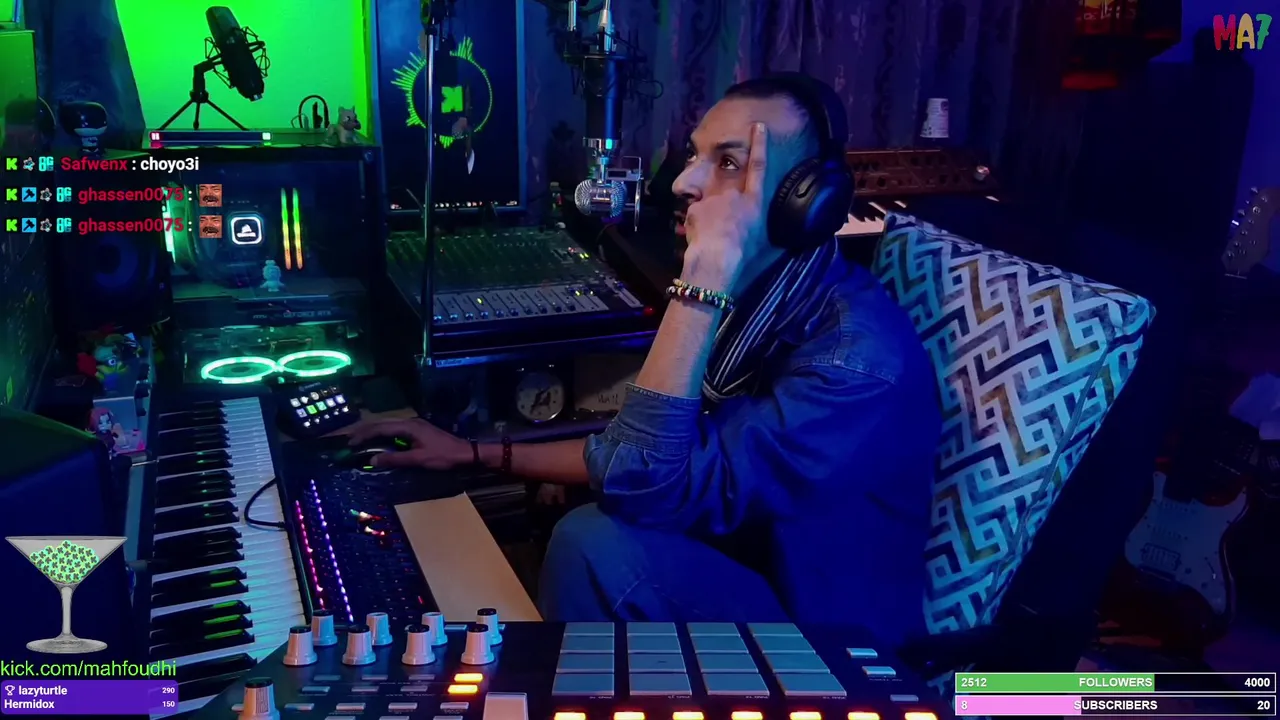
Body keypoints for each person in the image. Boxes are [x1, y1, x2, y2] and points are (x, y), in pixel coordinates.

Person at [349, 74, 940, 647]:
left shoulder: (853, 364)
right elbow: (644, 453)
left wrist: (701, 280)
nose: (683, 181)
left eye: (728, 163)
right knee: (587, 524)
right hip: (742, 561)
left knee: (595, 546)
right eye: (694, 155)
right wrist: (471, 452)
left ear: (803, 202)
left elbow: (645, 479)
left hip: (835, 639)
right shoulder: (761, 298)